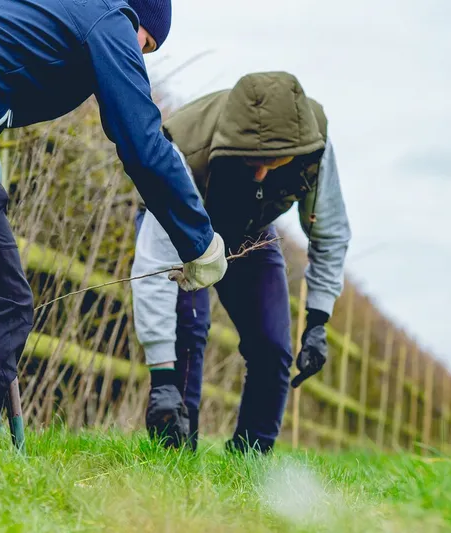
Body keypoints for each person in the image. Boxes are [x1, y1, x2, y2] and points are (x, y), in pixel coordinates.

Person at [0, 0, 227, 451]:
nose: (141, 53)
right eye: (147, 43)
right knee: (1, 303)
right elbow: (143, 144)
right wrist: (200, 243)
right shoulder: (108, 17)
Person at [130, 71, 351, 454]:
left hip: (251, 233)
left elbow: (329, 231)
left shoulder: (314, 141)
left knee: (272, 346)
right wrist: (161, 376)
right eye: (251, 161)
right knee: (188, 332)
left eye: (273, 161)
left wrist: (318, 319)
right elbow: (153, 267)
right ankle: (175, 458)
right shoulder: (183, 149)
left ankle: (250, 461)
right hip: (185, 228)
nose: (262, 173)